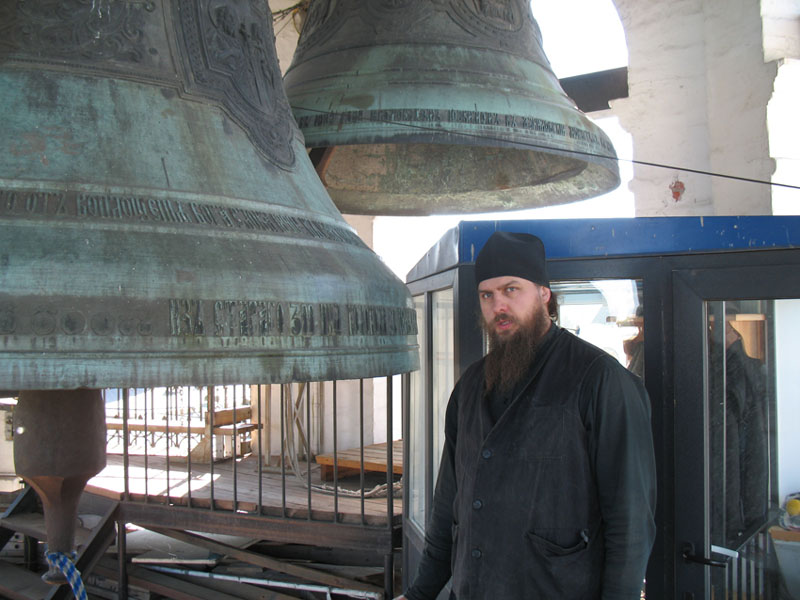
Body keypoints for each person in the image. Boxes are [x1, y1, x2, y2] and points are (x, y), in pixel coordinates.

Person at [398, 231, 657, 600]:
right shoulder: (470, 386)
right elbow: (447, 506)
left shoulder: (600, 380)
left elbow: (630, 525)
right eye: (487, 295)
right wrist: (419, 593)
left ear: (544, 294)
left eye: (511, 290)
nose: (498, 305)